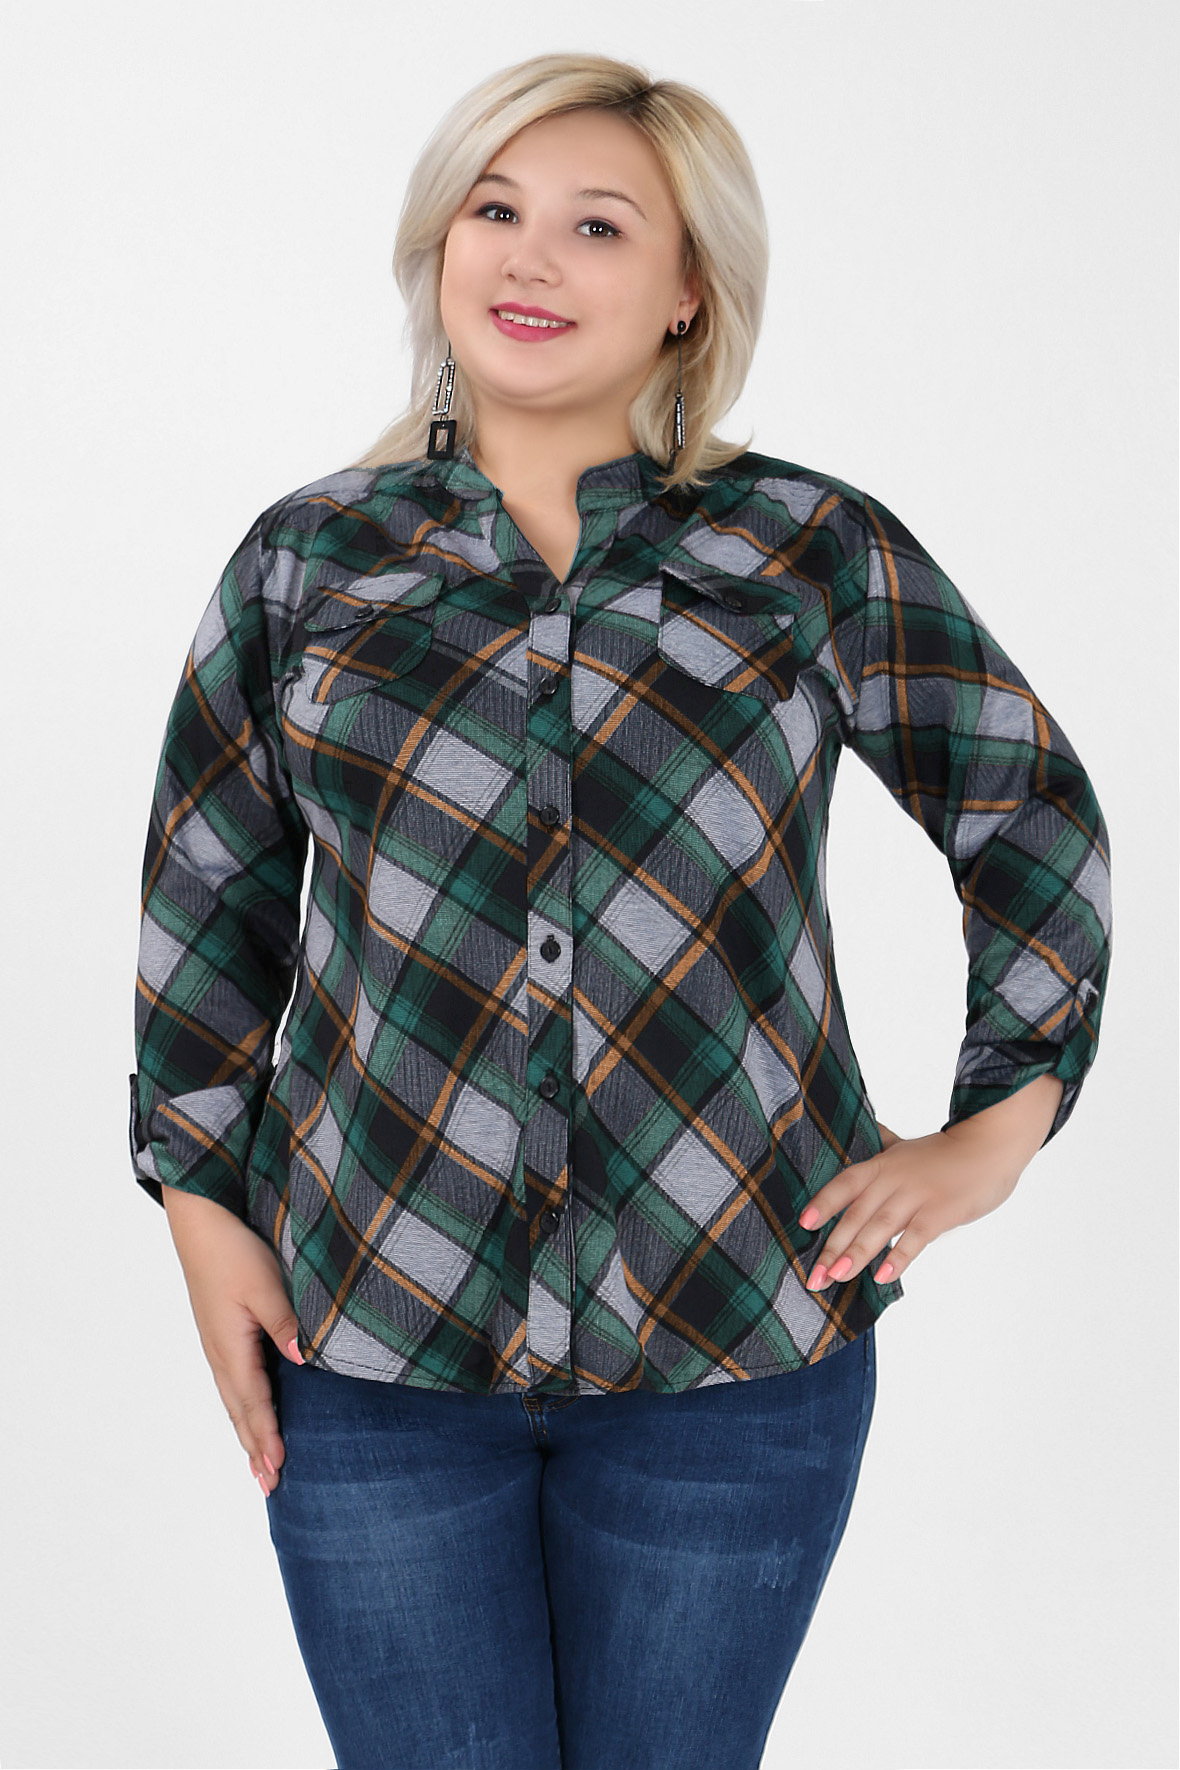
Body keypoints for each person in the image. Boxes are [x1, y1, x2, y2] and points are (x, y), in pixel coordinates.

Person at [128, 51, 1113, 1770]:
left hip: (736, 1351)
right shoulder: (308, 563)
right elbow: (208, 901)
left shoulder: (806, 552)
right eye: (494, 210)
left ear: (686, 291)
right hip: (371, 1345)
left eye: (597, 225)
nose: (530, 256)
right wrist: (201, 1208)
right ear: (438, 248)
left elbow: (1027, 810)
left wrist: (999, 1129)